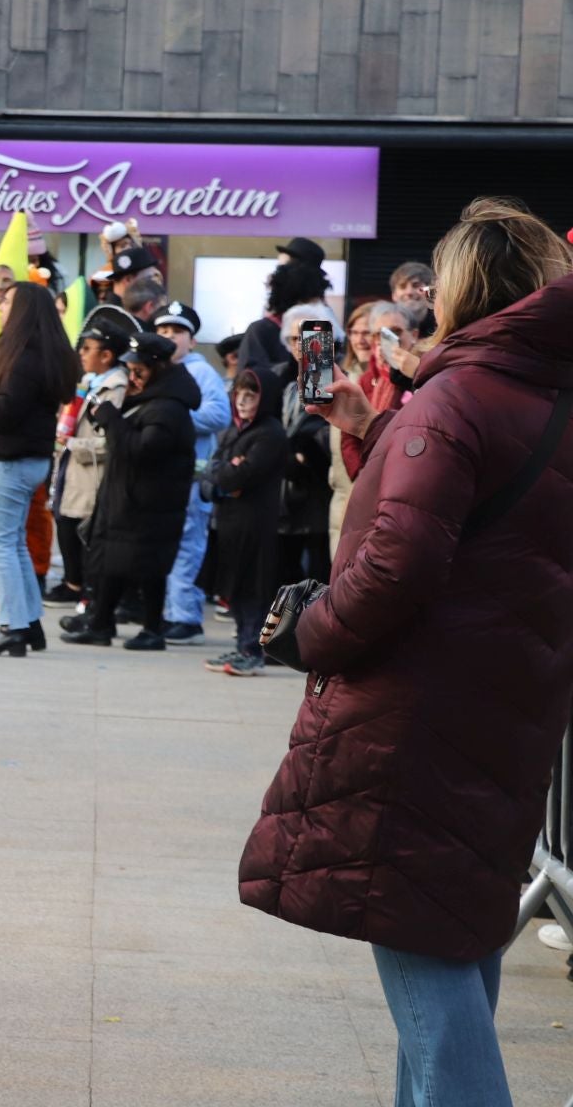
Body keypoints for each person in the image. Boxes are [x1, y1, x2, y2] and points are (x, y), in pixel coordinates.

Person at [240, 197, 573, 1107]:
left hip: (417, 713)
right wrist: (374, 426)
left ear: (460, 290)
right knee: (456, 925)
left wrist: (311, 633)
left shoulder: (457, 395)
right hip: (512, 702)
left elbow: (398, 562)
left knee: (422, 949)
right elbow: (490, 504)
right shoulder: (540, 390)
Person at [0, 280, 80, 657]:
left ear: (23, 310)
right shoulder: (42, 353)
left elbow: (5, 413)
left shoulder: (23, 357)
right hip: (28, 459)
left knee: (2, 545)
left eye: (7, 302)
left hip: (10, 460)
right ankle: (30, 622)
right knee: (15, 543)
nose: (0, 308)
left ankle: (12, 627)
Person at [60, 331, 199, 651]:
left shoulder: (168, 408)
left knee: (149, 569)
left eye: (139, 371)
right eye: (131, 371)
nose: (133, 378)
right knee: (111, 563)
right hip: (126, 501)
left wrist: (111, 420)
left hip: (150, 505)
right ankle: (100, 623)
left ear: (158, 369)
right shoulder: (149, 399)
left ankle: (152, 629)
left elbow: (142, 450)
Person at [198, 369, 286, 677]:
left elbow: (237, 477)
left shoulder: (270, 433)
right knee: (233, 588)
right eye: (239, 394)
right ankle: (242, 645)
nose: (243, 401)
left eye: (252, 395)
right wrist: (224, 475)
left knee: (251, 589)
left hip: (254, 524)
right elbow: (211, 476)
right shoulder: (236, 431)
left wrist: (225, 475)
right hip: (229, 522)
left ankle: (252, 650)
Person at [153, 300, 231, 644]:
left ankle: (186, 617)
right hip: (162, 476)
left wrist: (175, 417)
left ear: (192, 340)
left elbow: (219, 415)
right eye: (163, 330)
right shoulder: (157, 370)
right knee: (166, 544)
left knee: (187, 544)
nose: (170, 337)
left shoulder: (201, 373)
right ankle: (169, 612)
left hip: (191, 476)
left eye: (177, 331)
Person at [50, 308, 131, 609]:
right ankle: (73, 584)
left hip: (92, 473)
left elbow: (111, 441)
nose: (81, 354)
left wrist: (75, 444)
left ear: (107, 356)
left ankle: (86, 591)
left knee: (83, 531)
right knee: (65, 523)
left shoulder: (115, 388)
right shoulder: (88, 382)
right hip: (70, 467)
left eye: (88, 349)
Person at [276, 304, 335, 584]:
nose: (300, 345)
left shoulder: (331, 374)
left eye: (307, 336)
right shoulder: (277, 377)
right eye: (293, 338)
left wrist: (303, 448)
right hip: (283, 489)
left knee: (318, 571)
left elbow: (328, 427)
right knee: (285, 570)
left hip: (319, 485)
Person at [239, 239, 333, 377]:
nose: (274, 277)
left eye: (281, 269)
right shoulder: (264, 330)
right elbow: (249, 381)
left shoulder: (322, 326)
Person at [390, 259, 437, 337]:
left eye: (416, 285)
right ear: (394, 295)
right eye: (402, 286)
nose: (409, 292)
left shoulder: (443, 326)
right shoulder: (385, 327)